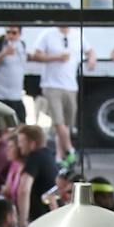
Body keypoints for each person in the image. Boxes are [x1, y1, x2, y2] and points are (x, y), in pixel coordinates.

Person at [30, 22, 80, 158]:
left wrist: (92, 58)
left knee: (66, 124)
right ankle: (71, 150)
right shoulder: (47, 34)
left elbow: (89, 50)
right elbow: (36, 55)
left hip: (70, 85)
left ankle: (59, 156)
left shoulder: (77, 34)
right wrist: (56, 57)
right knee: (58, 121)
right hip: (51, 85)